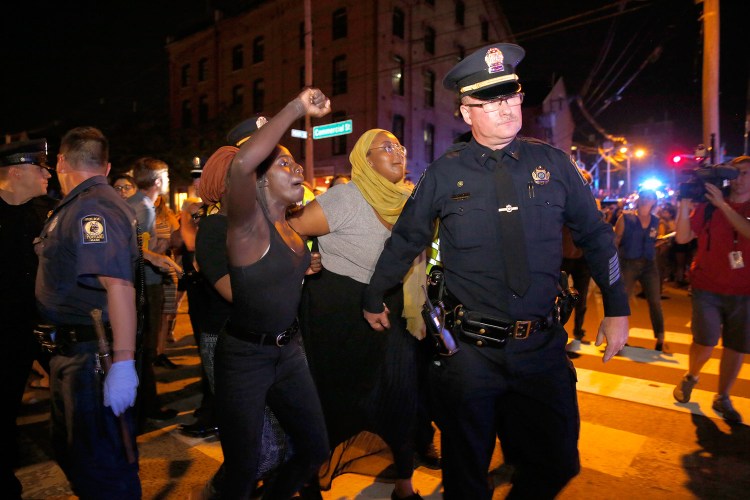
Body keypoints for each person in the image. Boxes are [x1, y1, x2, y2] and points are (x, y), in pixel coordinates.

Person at [362, 43, 630, 499]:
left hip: (542, 349)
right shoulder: (444, 175)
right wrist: (373, 295)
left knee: (558, 461)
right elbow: (406, 240)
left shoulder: (554, 164)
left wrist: (617, 308)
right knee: (467, 477)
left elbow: (596, 237)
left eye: (511, 95)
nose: (506, 107)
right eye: (491, 100)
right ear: (467, 112)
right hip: (471, 356)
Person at [289, 129, 423, 499]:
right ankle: (309, 479)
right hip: (339, 313)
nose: (398, 152)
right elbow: (291, 228)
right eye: (387, 147)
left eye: (400, 145)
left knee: (400, 395)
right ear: (365, 159)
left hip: (391, 308)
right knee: (335, 398)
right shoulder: (346, 198)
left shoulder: (409, 199)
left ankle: (404, 485)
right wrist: (304, 259)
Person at [215, 88, 330, 498]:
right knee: (244, 468)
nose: (297, 167)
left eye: (296, 161)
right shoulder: (248, 224)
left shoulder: (290, 226)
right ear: (261, 180)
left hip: (290, 351)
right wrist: (297, 108)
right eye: (285, 163)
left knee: (316, 447)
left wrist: (303, 267)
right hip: (245, 358)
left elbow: (279, 277)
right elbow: (243, 163)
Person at [34, 127, 141, 498]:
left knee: (103, 466)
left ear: (61, 160)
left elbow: (119, 286)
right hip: (74, 353)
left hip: (91, 356)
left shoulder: (91, 208)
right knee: (79, 456)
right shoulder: (80, 204)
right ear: (107, 166)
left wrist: (124, 363)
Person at [673, 156, 750, 424]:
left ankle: (723, 396)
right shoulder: (708, 205)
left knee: (736, 346)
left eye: (745, 173)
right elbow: (682, 238)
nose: (739, 178)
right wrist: (683, 202)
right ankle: (692, 376)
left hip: (745, 289)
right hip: (707, 285)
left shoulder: (726, 203)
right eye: (736, 172)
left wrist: (723, 206)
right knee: (704, 341)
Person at [0, 139, 56, 498]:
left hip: (36, 327)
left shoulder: (43, 213)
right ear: (17, 171)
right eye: (41, 168)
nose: (49, 174)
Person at [127, 157, 178, 426]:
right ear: (157, 181)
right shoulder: (145, 208)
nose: (168, 182)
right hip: (148, 284)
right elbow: (142, 251)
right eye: (166, 177)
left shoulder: (133, 204)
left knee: (141, 349)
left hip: (140, 284)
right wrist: (165, 245)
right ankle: (147, 407)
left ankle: (144, 405)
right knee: (146, 348)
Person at [614, 189, 666, 351]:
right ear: (639, 199)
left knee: (655, 301)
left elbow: (655, 240)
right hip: (629, 262)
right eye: (643, 197)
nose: (646, 200)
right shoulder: (626, 218)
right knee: (624, 302)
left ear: (654, 201)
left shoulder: (656, 221)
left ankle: (660, 337)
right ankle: (618, 338)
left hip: (649, 264)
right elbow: (616, 240)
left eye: (650, 197)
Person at [562, 168, 594, 350]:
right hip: (563, 256)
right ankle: (558, 330)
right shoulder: (562, 200)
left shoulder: (591, 204)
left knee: (581, 298)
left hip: (583, 258)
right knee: (560, 297)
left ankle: (578, 329)